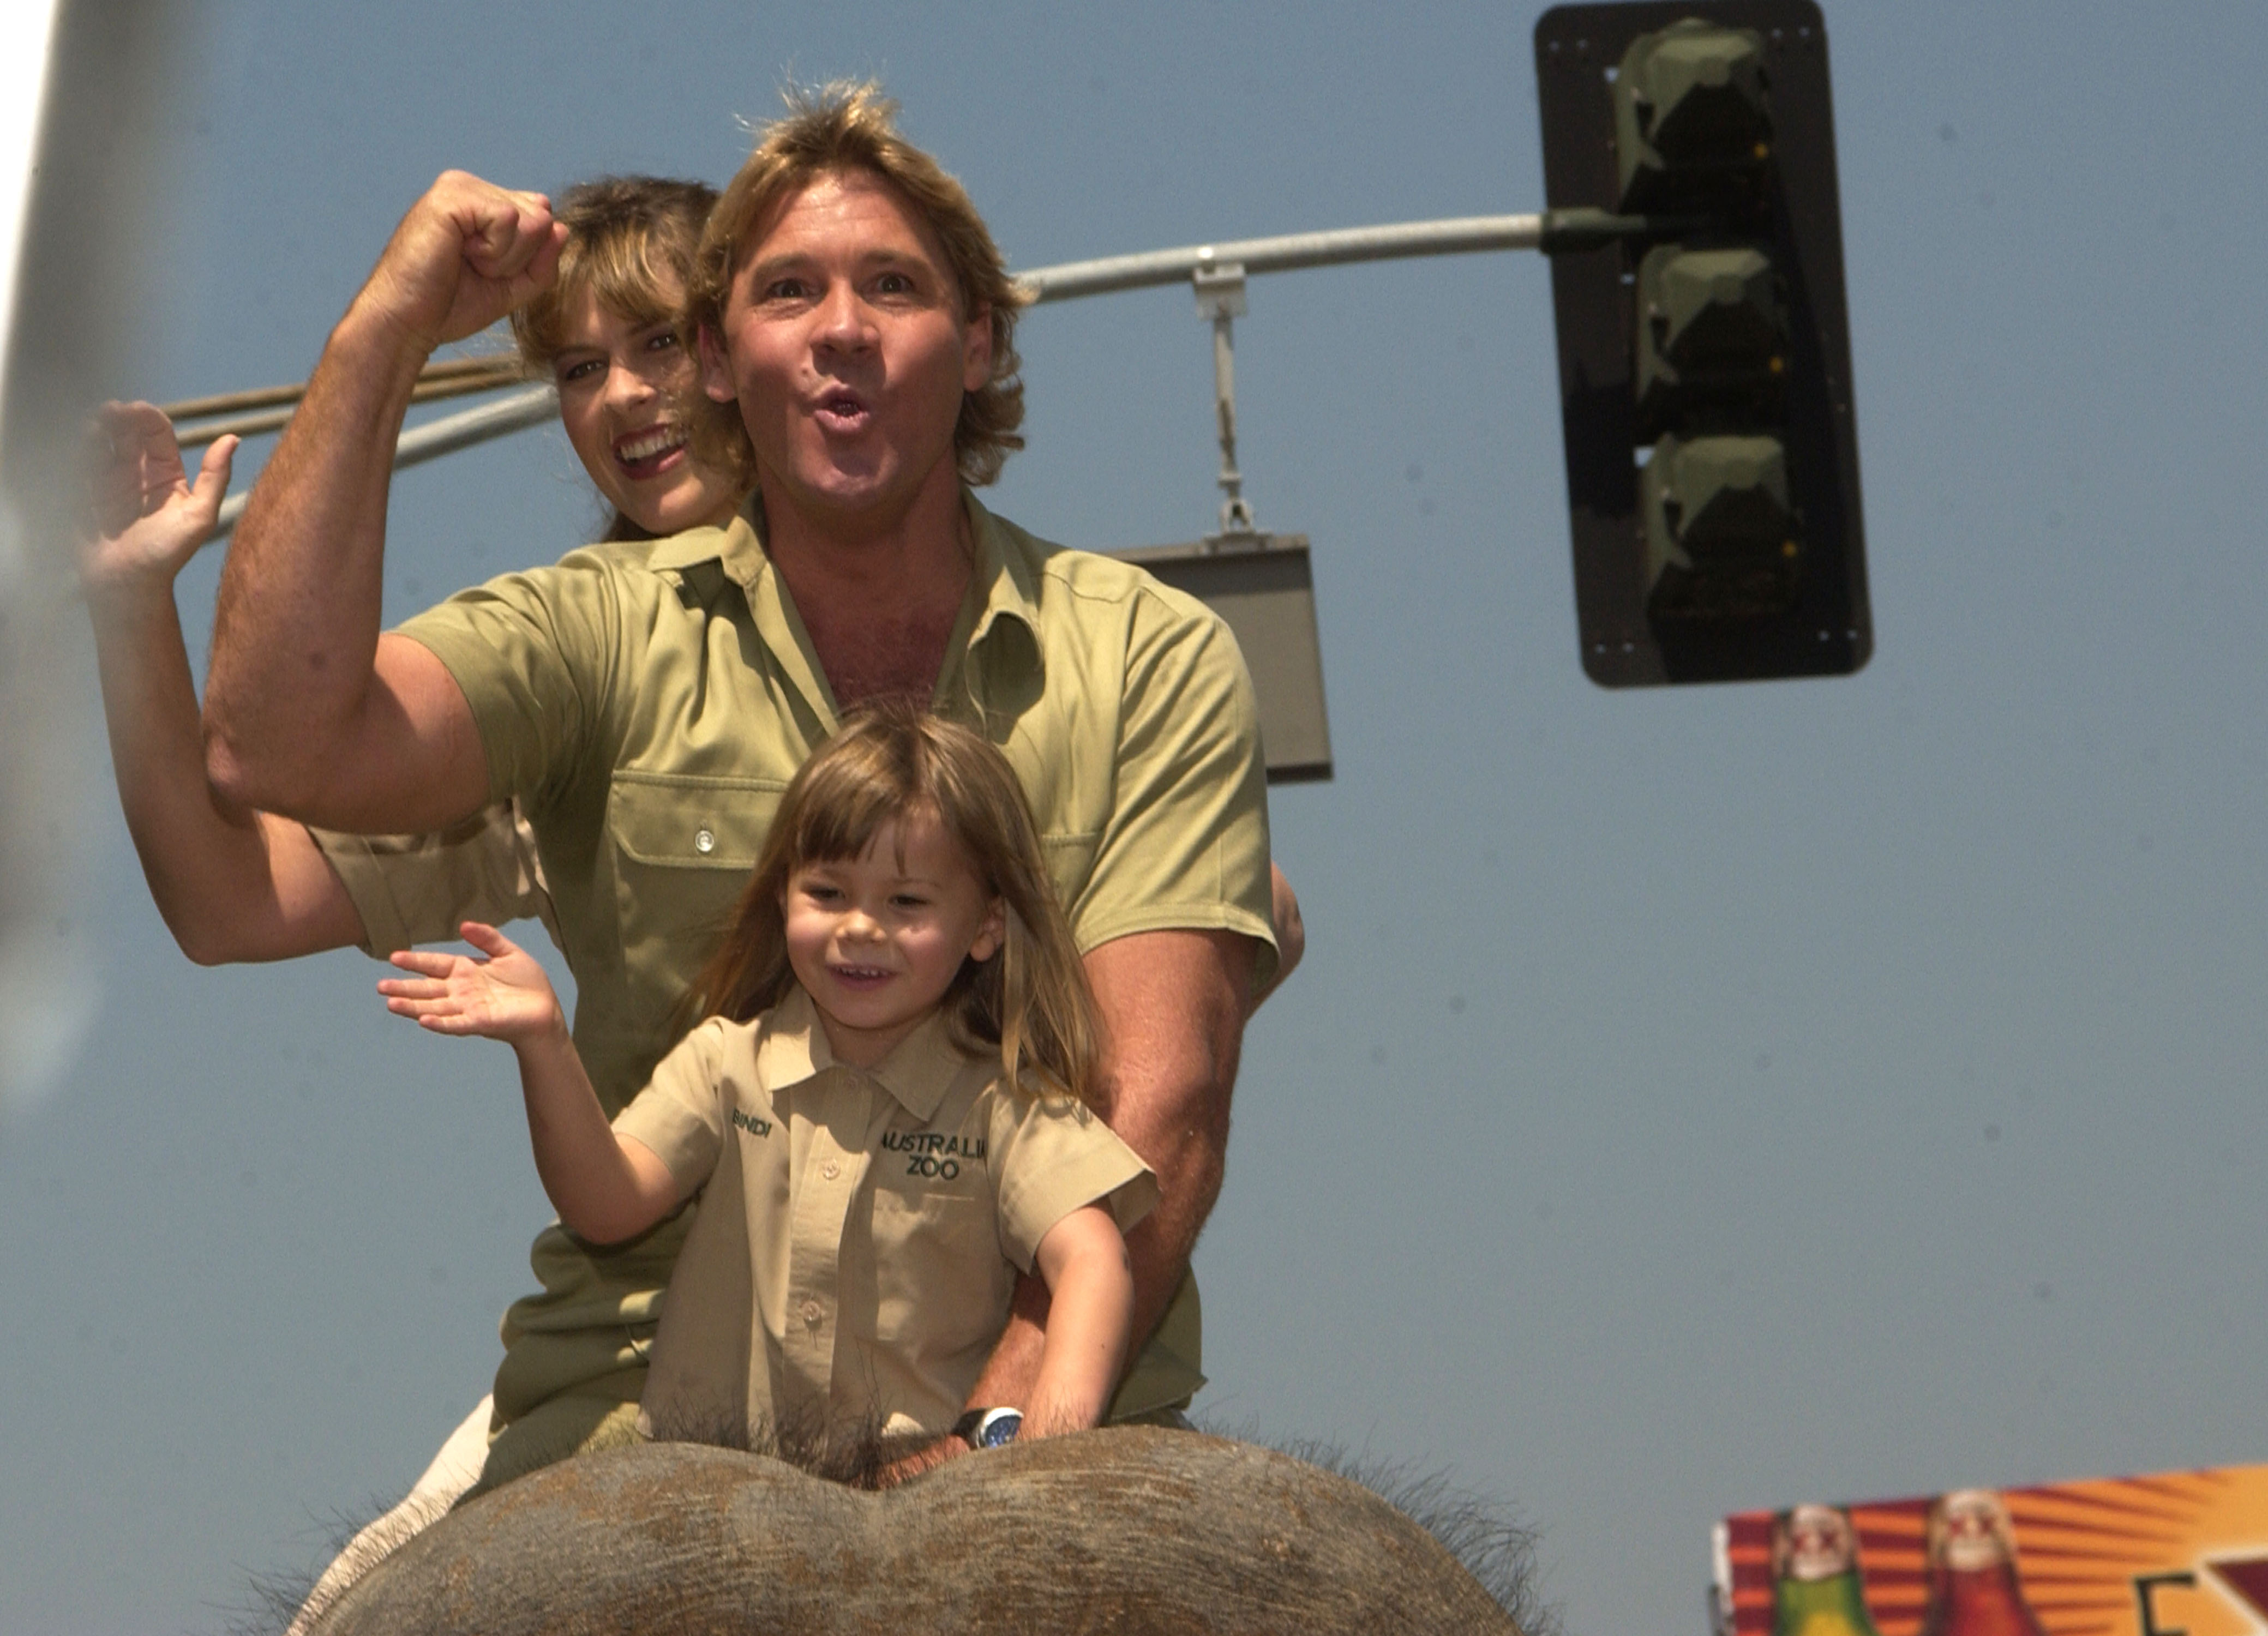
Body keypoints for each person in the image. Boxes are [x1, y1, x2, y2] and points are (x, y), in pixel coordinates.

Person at [202, 80, 1283, 1511]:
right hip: (626, 1438)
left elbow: (1165, 1107)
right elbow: (273, 745)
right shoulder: (594, 631)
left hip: (1050, 1432)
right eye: (787, 290)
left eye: (891, 284)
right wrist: (384, 329)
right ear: (720, 359)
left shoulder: (1152, 655)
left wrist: (983, 1454)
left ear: (977, 341)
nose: (839, 324)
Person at [381, 707, 1154, 1466]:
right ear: (782, 893)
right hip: (714, 1490)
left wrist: (1041, 1459)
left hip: (923, 1502)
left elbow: (1091, 1260)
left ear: (985, 926)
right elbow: (606, 1205)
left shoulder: (1006, 1104)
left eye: (906, 902)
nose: (859, 927)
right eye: (827, 893)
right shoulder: (726, 1064)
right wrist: (544, 1041)